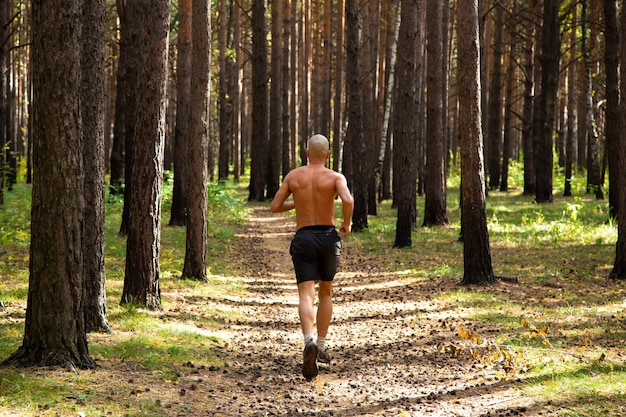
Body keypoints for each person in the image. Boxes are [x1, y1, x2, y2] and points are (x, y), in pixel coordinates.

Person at [270, 134, 354, 381]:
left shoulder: (294, 176)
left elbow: (275, 206)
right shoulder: (335, 177)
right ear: (327, 154)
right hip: (328, 237)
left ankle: (308, 341)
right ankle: (322, 343)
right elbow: (348, 199)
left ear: (306, 153)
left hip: (304, 237)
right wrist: (346, 224)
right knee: (326, 292)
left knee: (305, 293)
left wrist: (296, 204)